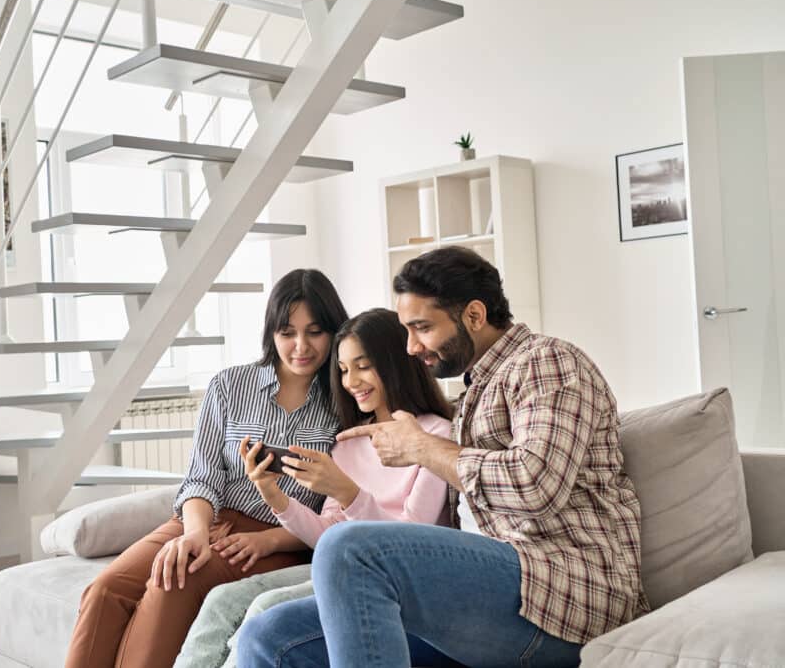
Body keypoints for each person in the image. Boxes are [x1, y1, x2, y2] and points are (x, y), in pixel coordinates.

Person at [237, 247, 649, 668]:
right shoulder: (474, 392)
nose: (411, 347)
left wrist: (419, 448)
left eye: (422, 328)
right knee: (267, 634)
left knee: (350, 547)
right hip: (487, 593)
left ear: (473, 315)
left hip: (563, 592)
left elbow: (534, 486)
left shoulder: (547, 363)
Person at [64, 268, 348, 668]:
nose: (301, 346)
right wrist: (195, 533)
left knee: (174, 582)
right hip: (205, 519)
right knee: (105, 590)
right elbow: (201, 477)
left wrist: (270, 540)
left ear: (334, 332)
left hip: (280, 537)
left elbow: (338, 513)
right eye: (287, 332)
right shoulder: (230, 386)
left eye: (315, 332)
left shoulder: (346, 402)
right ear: (272, 333)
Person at [173, 308, 454, 668]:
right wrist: (273, 494)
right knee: (222, 601)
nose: (351, 381)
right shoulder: (348, 444)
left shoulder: (434, 437)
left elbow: (410, 541)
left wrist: (348, 493)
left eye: (363, 366)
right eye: (344, 369)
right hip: (338, 565)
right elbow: (326, 536)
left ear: (396, 362)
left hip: (396, 580)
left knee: (264, 609)